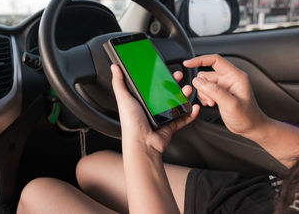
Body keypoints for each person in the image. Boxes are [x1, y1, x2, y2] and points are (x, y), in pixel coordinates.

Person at [17, 54, 299, 214]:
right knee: (90, 166)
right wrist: (256, 125)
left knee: (37, 193)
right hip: (258, 200)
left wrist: (143, 146)